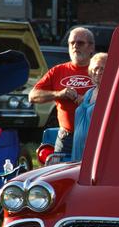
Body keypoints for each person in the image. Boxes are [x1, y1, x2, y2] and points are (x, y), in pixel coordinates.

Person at [29, 27, 95, 155]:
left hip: (94, 137)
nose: (75, 46)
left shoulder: (99, 70)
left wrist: (88, 100)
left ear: (91, 47)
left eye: (80, 43)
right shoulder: (58, 70)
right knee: (61, 173)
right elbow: (33, 96)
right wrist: (59, 94)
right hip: (66, 137)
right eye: (71, 43)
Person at [71, 52, 108, 161]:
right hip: (78, 148)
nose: (98, 72)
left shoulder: (110, 94)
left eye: (102, 69)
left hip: (96, 150)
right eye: (95, 68)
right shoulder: (88, 93)